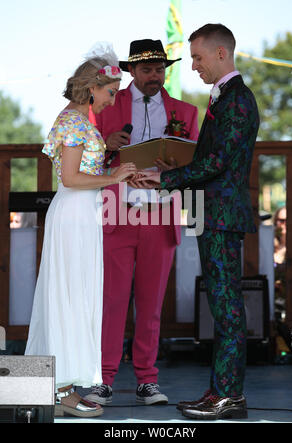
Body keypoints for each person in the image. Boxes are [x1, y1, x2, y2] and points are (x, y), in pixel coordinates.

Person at [135, 24, 260, 420]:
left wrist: (166, 179)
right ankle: (220, 392)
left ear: (221, 54)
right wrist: (173, 167)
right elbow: (211, 160)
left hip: (222, 216)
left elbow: (219, 162)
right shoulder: (223, 98)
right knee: (220, 307)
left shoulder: (238, 100)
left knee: (226, 309)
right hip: (212, 213)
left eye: (198, 58)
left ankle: (228, 396)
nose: (193, 66)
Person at [25, 43, 137, 418]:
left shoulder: (80, 121)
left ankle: (65, 388)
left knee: (77, 297)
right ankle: (59, 391)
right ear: (93, 87)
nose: (112, 100)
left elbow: (79, 169)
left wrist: (110, 161)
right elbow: (71, 178)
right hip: (73, 214)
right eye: (110, 92)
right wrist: (113, 176)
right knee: (69, 298)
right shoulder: (74, 123)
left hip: (81, 215)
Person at [85, 39, 199, 406]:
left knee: (151, 305)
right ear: (131, 71)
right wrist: (106, 145)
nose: (155, 76)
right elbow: (80, 158)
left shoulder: (185, 111)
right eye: (147, 69)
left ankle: (148, 380)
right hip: (117, 214)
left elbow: (195, 162)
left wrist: (177, 164)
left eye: (160, 69)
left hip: (161, 215)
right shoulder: (104, 104)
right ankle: (103, 379)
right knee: (112, 300)